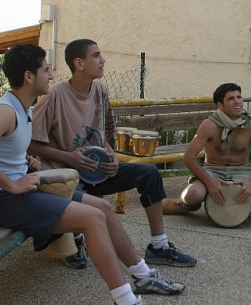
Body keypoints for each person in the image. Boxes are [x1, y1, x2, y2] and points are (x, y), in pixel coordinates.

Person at [0, 44, 185, 305]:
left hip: (16, 193)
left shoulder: (23, 109)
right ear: (29, 76)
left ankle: (143, 275)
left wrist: (25, 164)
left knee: (103, 208)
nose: (51, 75)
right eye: (46, 70)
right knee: (92, 218)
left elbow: (3, 151)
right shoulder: (4, 110)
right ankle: (126, 300)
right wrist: (12, 184)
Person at [29, 39, 197, 270]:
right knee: (80, 196)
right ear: (79, 63)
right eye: (96, 55)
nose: (103, 60)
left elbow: (106, 133)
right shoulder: (53, 95)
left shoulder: (100, 91)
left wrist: (113, 156)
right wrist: (69, 158)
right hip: (67, 179)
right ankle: (74, 239)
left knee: (149, 173)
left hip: (98, 172)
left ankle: (159, 246)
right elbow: (31, 144)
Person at [162, 82, 251, 221]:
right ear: (220, 105)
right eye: (231, 98)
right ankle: (183, 206)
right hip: (212, 170)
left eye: (239, 97)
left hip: (242, 171)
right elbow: (188, 157)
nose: (237, 101)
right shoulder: (209, 124)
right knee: (192, 195)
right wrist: (209, 182)